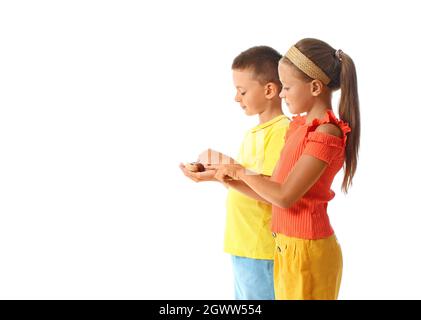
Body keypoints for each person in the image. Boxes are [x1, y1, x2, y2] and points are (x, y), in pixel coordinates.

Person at [211, 38, 360, 300]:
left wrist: (236, 169)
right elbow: (274, 191)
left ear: (315, 87)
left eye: (288, 87)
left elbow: (284, 195)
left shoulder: (326, 133)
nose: (282, 94)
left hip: (308, 251)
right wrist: (222, 175)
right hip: (286, 246)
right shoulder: (300, 128)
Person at [180, 46, 290, 299]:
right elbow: (250, 184)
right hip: (242, 243)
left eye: (242, 91)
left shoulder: (281, 130)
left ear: (270, 90)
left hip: (261, 246)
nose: (236, 98)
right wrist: (217, 176)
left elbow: (274, 191)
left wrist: (227, 163)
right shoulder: (253, 133)